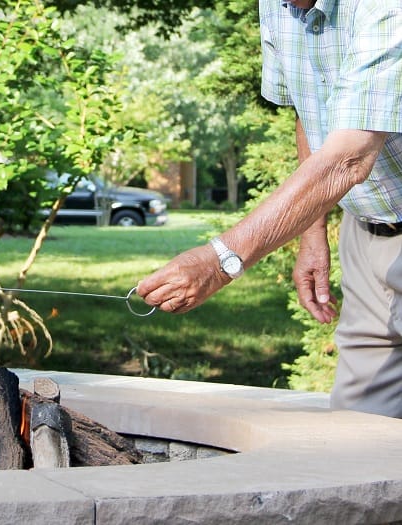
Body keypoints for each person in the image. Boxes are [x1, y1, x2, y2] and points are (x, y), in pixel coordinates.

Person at [136, 0, 402, 418]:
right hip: (366, 237)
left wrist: (220, 261)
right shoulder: (276, 7)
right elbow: (308, 109)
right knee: (357, 432)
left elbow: (349, 159)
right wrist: (312, 233)